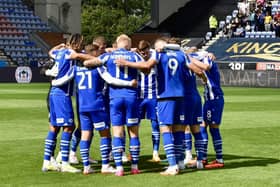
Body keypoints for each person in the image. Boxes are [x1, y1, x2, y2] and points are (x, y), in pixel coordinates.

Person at [51, 43, 138, 175]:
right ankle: (105, 165)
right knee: (105, 134)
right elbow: (111, 80)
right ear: (93, 55)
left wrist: (51, 78)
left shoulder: (76, 69)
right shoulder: (99, 69)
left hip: (83, 107)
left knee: (86, 134)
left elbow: (60, 80)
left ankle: (86, 166)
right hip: (97, 105)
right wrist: (129, 83)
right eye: (97, 53)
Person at [116, 38, 190, 176]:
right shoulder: (181, 54)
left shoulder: (159, 54)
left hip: (165, 96)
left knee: (165, 129)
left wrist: (126, 62)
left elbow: (146, 66)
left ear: (158, 48)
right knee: (179, 129)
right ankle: (180, 162)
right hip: (181, 96)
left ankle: (172, 165)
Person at [41, 33, 100, 173]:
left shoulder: (59, 52)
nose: (81, 46)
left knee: (54, 127)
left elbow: (51, 51)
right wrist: (95, 59)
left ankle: (47, 161)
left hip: (53, 93)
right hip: (62, 94)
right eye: (81, 43)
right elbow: (91, 58)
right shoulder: (70, 53)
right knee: (69, 126)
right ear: (77, 43)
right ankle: (65, 162)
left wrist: (60, 46)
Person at [88, 34, 143, 176]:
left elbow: (90, 62)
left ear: (117, 45)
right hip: (131, 96)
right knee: (133, 132)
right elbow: (145, 66)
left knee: (117, 132)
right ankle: (135, 166)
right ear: (129, 45)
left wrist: (106, 52)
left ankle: (119, 168)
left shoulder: (108, 56)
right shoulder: (134, 56)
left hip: (115, 98)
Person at [192, 55, 225, 169]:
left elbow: (205, 67)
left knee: (213, 128)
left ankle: (219, 159)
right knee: (202, 126)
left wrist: (189, 59)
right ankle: (203, 157)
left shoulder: (206, 59)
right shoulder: (201, 57)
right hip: (208, 100)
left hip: (214, 99)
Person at [136, 40, 161, 162]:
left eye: (145, 51)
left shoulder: (155, 56)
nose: (143, 54)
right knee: (134, 125)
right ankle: (134, 151)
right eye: (141, 51)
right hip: (139, 97)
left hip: (153, 96)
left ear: (149, 49)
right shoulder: (135, 57)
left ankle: (155, 152)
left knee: (155, 124)